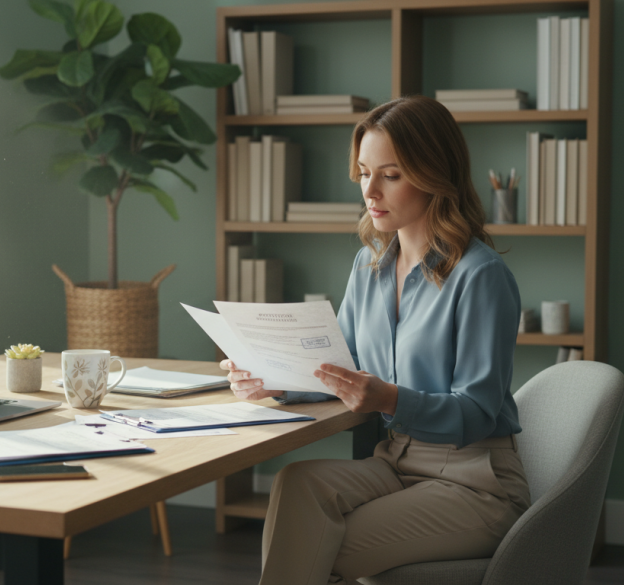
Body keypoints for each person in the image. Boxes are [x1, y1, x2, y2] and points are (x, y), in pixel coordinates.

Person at [220, 95, 531, 585]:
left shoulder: (481, 276)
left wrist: (388, 397)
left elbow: (476, 413)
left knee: (318, 545)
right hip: (396, 460)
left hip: (475, 482)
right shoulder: (368, 268)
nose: (371, 190)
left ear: (434, 174)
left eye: (390, 174)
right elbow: (340, 366)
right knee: (297, 484)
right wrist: (273, 381)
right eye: (364, 173)